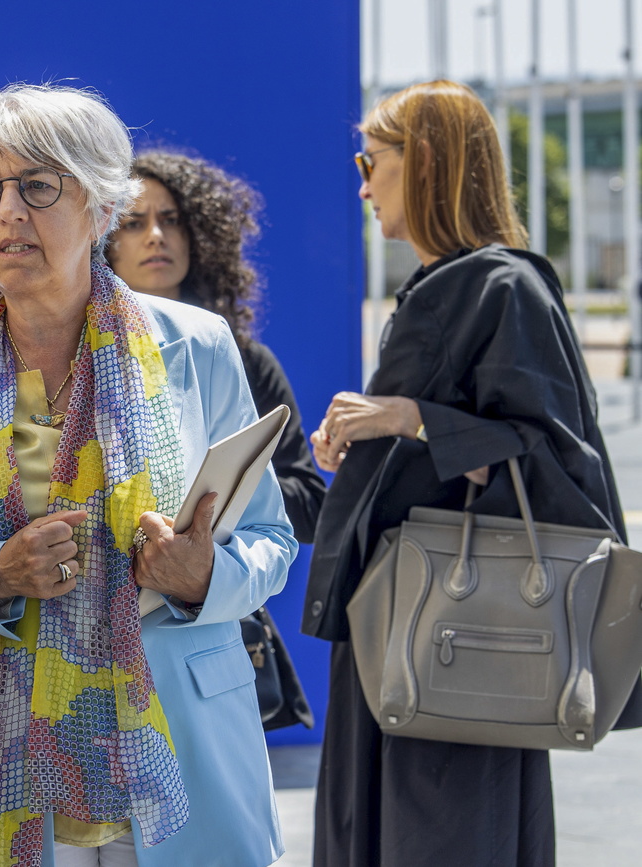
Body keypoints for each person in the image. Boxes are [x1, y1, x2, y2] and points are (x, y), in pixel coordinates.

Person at [0, 83, 297, 867]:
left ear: (100, 203)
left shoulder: (196, 345)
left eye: (37, 185)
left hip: (171, 762)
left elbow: (271, 542)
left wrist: (202, 576)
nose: (7, 212)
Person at [303, 80, 630, 867]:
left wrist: (410, 418)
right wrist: (368, 443)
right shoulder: (445, 284)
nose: (361, 182)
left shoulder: (502, 286)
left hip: (465, 638)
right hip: (400, 626)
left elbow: (559, 467)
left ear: (423, 163)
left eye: (370, 159)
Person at [105, 150, 325, 542]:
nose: (156, 235)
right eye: (134, 223)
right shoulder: (77, 355)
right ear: (105, 242)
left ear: (197, 237)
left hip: (225, 595)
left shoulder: (248, 360)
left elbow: (309, 504)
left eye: (171, 220)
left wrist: (214, 495)